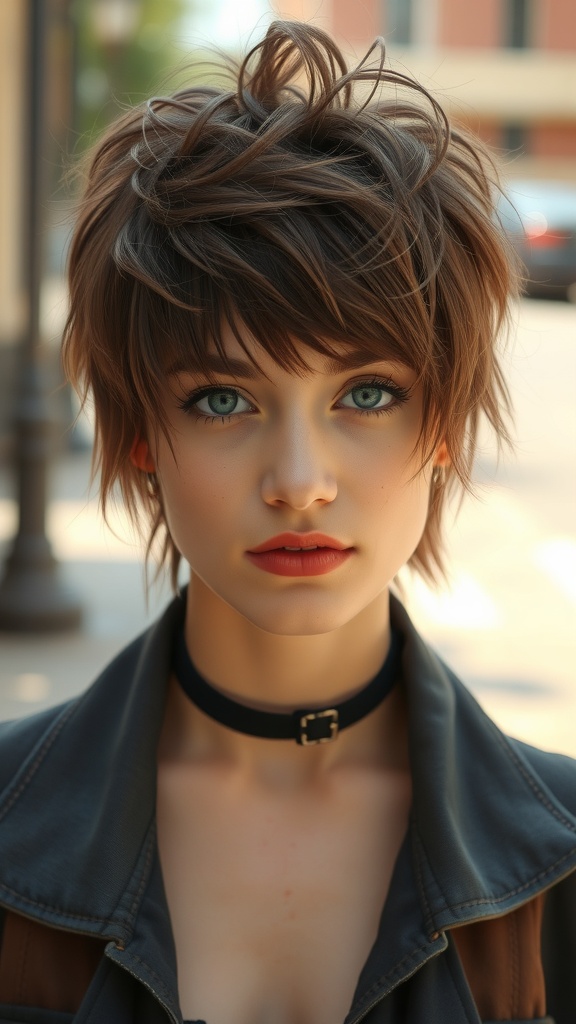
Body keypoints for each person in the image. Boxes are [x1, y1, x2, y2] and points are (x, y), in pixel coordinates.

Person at [0, 19, 574, 1024]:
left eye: (367, 394)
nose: (301, 482)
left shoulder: (559, 862)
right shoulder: (11, 827)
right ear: (139, 434)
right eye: (224, 398)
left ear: (443, 424)